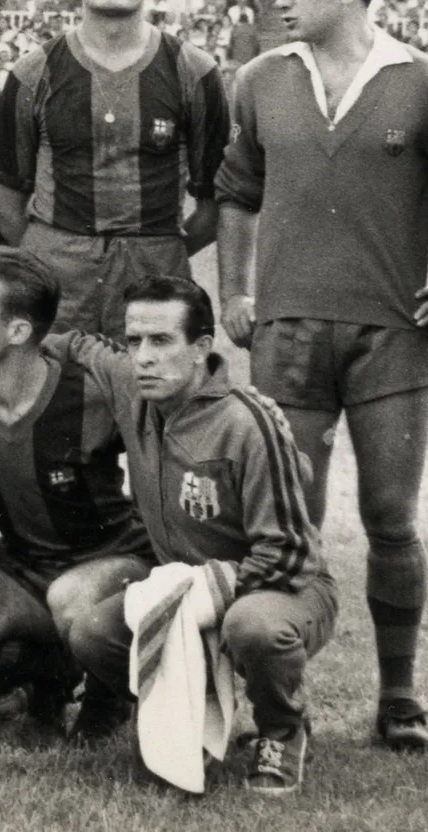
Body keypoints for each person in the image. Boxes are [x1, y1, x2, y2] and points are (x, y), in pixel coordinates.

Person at [214, 0, 428, 753]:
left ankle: (399, 699)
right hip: (286, 333)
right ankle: (282, 708)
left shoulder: (425, 83)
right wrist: (234, 291)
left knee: (391, 516)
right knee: (292, 521)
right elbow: (235, 194)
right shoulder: (259, 79)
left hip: (390, 335)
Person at [63, 277, 336, 796]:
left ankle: (282, 729)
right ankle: (173, 711)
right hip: (189, 590)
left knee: (253, 628)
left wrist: (200, 589)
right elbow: (74, 344)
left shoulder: (249, 420)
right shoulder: (133, 384)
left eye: (161, 341)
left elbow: (290, 551)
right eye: (134, 340)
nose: (142, 357)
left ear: (202, 349)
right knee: (91, 632)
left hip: (281, 591)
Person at [0, 247, 152, 739]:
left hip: (112, 562)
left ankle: (107, 697)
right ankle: (45, 689)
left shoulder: (89, 396)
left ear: (18, 332)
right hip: (26, 569)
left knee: (73, 600)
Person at [0, 0, 226, 343]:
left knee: (151, 405)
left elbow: (214, 205)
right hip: (58, 272)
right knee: (56, 402)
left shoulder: (195, 73)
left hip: (154, 272)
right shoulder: (32, 72)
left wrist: (158, 251)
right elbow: (5, 201)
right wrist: (54, 255)